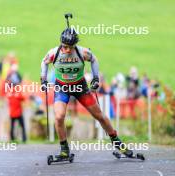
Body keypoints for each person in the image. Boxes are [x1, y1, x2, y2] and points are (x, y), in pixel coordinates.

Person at [40, 26, 133, 158]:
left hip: (80, 86)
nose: (66, 49)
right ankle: (64, 150)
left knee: (99, 115)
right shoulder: (54, 53)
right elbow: (44, 63)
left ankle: (118, 143)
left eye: (69, 47)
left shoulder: (82, 52)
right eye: (64, 46)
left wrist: (95, 78)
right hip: (62, 87)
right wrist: (43, 80)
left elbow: (94, 59)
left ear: (75, 45)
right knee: (59, 116)